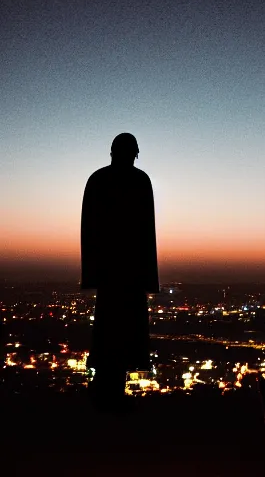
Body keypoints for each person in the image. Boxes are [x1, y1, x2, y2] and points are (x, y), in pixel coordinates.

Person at [81, 133, 159, 410]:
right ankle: (110, 395)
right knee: (124, 332)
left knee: (111, 331)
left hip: (111, 273)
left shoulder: (99, 180)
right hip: (128, 273)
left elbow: (88, 230)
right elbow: (146, 233)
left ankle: (108, 392)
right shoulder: (139, 182)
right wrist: (149, 277)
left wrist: (91, 273)